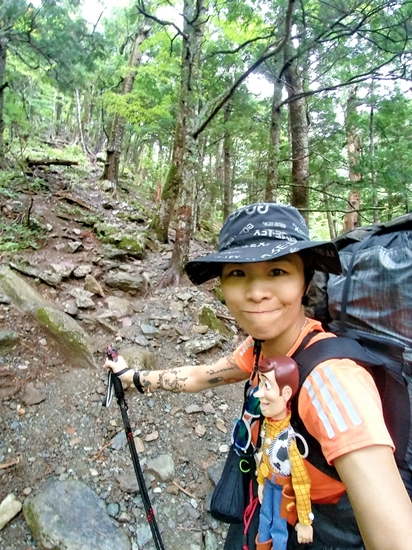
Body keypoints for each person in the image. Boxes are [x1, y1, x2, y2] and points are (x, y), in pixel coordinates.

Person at [104, 202, 412, 550]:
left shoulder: (332, 381)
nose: (255, 292)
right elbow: (203, 377)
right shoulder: (260, 348)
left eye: (277, 271)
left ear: (305, 281)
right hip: (268, 506)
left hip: (316, 531)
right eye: (238, 274)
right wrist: (135, 377)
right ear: (222, 285)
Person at [255, 356, 313, 550]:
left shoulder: (289, 440)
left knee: (279, 528)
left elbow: (301, 481)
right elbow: (263, 454)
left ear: (286, 393)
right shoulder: (267, 426)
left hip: (283, 490)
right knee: (264, 518)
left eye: (267, 386)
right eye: (260, 384)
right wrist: (261, 481)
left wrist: (305, 521)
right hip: (269, 483)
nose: (258, 394)